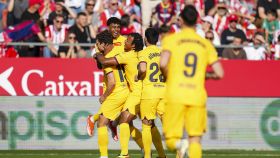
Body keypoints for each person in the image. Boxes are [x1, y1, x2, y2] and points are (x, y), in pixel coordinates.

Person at [160, 5, 224, 158]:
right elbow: (219, 73)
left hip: (175, 93)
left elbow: (162, 63)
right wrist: (205, 75)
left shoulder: (171, 39)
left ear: (180, 20)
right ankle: (188, 146)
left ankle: (180, 145)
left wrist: (169, 75)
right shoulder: (205, 44)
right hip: (196, 95)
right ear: (197, 21)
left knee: (171, 140)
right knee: (195, 139)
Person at [94, 33, 144, 158]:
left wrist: (97, 55)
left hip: (125, 93)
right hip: (135, 92)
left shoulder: (114, 56)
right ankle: (146, 149)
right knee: (139, 123)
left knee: (102, 122)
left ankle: (107, 155)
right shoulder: (140, 54)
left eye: (127, 41)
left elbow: (111, 80)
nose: (124, 42)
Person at [92, 30, 129, 158]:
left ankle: (103, 156)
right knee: (128, 121)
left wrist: (104, 96)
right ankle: (133, 152)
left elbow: (112, 82)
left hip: (117, 93)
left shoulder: (107, 58)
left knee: (101, 122)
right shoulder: (119, 53)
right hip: (128, 91)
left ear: (104, 44)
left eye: (98, 44)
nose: (97, 47)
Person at [137, 27, 166, 158]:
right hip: (164, 92)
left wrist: (138, 75)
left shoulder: (143, 53)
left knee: (146, 125)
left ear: (145, 39)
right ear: (157, 39)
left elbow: (142, 69)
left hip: (149, 93)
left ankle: (148, 156)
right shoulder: (163, 53)